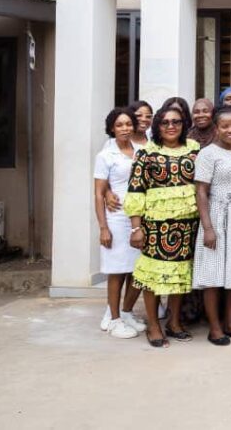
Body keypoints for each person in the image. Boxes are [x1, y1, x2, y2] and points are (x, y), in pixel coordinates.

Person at [124, 105, 200, 348]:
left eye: (176, 121)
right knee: (153, 275)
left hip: (188, 223)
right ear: (157, 126)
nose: (171, 126)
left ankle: (174, 322)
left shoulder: (194, 149)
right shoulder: (146, 153)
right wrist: (136, 228)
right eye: (165, 122)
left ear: (184, 124)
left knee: (180, 272)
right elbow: (136, 189)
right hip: (156, 225)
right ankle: (154, 325)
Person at [192, 107, 231, 346]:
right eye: (225, 126)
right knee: (214, 272)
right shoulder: (208, 154)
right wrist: (208, 228)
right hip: (218, 216)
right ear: (216, 128)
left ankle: (230, 323)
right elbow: (201, 191)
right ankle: (215, 328)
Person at [94, 107, 144, 339]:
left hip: (140, 217)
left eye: (128, 124)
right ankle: (113, 320)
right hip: (116, 218)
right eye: (119, 125)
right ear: (112, 129)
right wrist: (103, 227)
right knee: (117, 271)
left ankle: (126, 313)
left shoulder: (141, 151)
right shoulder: (106, 155)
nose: (125, 128)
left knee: (137, 270)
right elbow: (99, 193)